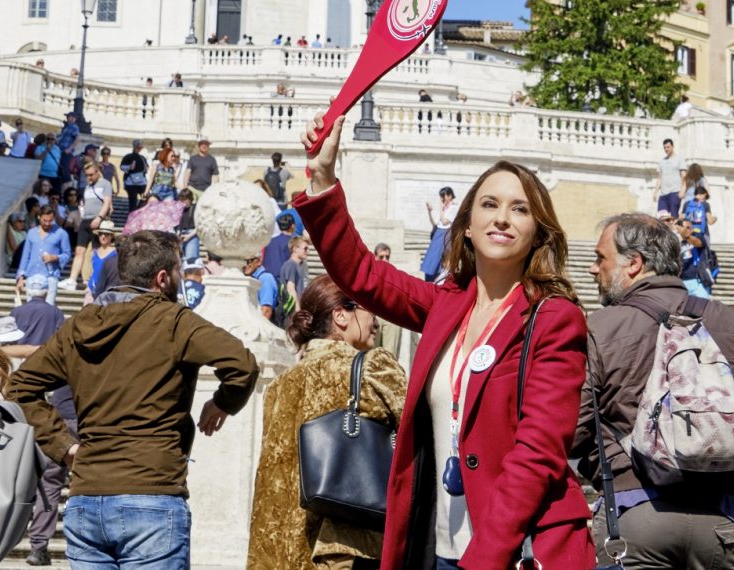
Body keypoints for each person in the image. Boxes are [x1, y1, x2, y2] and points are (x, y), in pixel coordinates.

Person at [296, 114, 597, 568]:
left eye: (519, 209)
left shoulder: (555, 317)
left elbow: (538, 454)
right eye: (489, 204)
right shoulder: (447, 303)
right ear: (467, 226)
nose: (502, 218)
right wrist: (323, 178)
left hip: (517, 552)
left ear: (539, 231)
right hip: (437, 547)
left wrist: (484, 557)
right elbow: (360, 272)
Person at [6, 230, 259, 569]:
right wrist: (222, 403)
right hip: (152, 493)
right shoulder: (175, 321)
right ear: (162, 277)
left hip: (88, 494)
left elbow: (20, 386)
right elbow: (242, 365)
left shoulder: (78, 326)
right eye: (180, 271)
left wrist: (64, 446)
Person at [575, 212, 734, 567]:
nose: (594, 269)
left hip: (634, 516)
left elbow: (573, 431)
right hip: (721, 522)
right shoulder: (733, 323)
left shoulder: (599, 327)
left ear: (634, 264)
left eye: (600, 258)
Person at [247, 275, 407, 570]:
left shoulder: (281, 384)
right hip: (346, 550)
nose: (376, 321)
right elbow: (418, 428)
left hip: (282, 551)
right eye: (370, 310)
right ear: (341, 315)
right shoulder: (373, 366)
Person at [10, 274, 67, 566]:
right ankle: (38, 545)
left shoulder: (15, 313)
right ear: (46, 292)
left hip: (13, 396)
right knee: (50, 479)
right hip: (48, 396)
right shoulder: (56, 313)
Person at [60, 161, 114, 291]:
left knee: (96, 252)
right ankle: (72, 280)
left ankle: (94, 280)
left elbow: (107, 203)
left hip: (97, 220)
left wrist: (99, 218)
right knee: (79, 250)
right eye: (86, 175)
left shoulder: (105, 184)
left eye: (90, 175)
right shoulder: (88, 186)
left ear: (97, 172)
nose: (88, 178)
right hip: (85, 220)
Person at [16, 206, 71, 306]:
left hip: (50, 277)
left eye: (50, 221)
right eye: (44, 220)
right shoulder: (31, 233)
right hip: (31, 276)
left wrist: (55, 257)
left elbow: (67, 254)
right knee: (30, 309)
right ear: (39, 217)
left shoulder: (61, 234)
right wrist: (20, 277)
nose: (47, 223)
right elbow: (25, 256)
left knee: (47, 309)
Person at [421, 186, 458, 282]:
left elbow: (445, 221)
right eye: (441, 196)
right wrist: (429, 212)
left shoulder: (454, 207)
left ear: (450, 196)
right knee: (431, 261)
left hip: (446, 235)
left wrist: (441, 209)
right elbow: (435, 223)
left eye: (443, 195)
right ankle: (429, 282)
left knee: (440, 261)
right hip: (438, 234)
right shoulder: (445, 208)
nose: (442, 198)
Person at [372, 243, 403, 359]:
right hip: (373, 316)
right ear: (375, 257)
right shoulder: (369, 273)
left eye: (387, 257)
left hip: (390, 317)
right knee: (371, 356)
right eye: (381, 257)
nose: (385, 260)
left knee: (390, 357)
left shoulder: (395, 274)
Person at [673, 217, 712, 299]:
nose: (687, 230)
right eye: (684, 228)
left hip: (698, 282)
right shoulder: (677, 242)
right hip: (682, 282)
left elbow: (698, 243)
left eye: (689, 228)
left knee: (704, 309)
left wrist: (687, 236)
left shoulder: (698, 236)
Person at [277, 236, 310, 322]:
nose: (308, 252)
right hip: (292, 312)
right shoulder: (291, 265)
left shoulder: (301, 266)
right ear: (295, 249)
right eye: (305, 249)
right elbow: (291, 288)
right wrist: (298, 311)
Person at [85, 220, 117, 303]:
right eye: (100, 234)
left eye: (106, 234)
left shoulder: (116, 253)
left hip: (107, 290)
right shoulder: (93, 252)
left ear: (111, 236)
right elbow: (91, 270)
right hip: (91, 289)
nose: (103, 236)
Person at [654, 138, 687, 215]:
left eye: (668, 147)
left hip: (675, 192)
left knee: (673, 217)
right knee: (661, 217)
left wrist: (682, 190)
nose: (666, 149)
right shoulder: (662, 161)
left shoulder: (679, 159)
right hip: (663, 194)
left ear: (672, 146)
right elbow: (659, 178)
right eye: (664, 147)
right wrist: (655, 192)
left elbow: (684, 176)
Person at [244, 253, 278, 321]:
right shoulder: (249, 278)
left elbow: (266, 311)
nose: (245, 265)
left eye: (249, 261)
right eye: (243, 261)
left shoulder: (265, 278)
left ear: (259, 261)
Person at [263, 214, 296, 281]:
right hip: (283, 280)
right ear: (292, 226)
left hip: (267, 278)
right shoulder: (293, 243)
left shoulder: (269, 241)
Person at [120, 139, 149, 212]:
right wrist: (130, 167)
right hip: (131, 183)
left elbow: (146, 168)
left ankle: (138, 210)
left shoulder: (142, 158)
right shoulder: (128, 156)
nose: (139, 148)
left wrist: (146, 168)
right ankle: (132, 216)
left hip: (141, 182)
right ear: (134, 147)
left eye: (140, 147)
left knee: (146, 197)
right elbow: (122, 167)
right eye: (138, 147)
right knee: (132, 201)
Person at [177, 189, 199, 263]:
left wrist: (189, 236)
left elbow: (199, 226)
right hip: (180, 235)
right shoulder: (179, 209)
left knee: (191, 260)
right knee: (179, 262)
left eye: (184, 200)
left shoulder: (196, 208)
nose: (183, 202)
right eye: (181, 200)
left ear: (190, 199)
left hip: (192, 235)